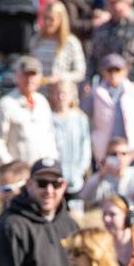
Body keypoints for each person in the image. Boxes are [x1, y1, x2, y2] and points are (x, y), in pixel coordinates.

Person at [83, 52, 134, 164]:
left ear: (125, 71)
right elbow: (84, 117)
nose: (113, 74)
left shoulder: (133, 91)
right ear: (103, 72)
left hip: (131, 148)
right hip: (103, 151)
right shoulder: (96, 93)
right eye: (109, 70)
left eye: (117, 70)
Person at [0, 56, 58, 166]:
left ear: (40, 77)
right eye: (25, 74)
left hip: (41, 172)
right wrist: (11, 168)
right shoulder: (5, 104)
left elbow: (50, 135)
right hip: (17, 174)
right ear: (17, 76)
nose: (29, 79)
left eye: (33, 75)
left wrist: (52, 161)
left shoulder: (42, 102)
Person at [87, 0, 134, 98]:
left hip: (133, 89)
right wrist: (88, 81)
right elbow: (93, 58)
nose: (108, 6)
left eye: (113, 2)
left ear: (127, 3)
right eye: (108, 2)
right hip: (105, 91)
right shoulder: (102, 29)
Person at [46, 77, 91, 206]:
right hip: (56, 173)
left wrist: (83, 167)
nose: (61, 96)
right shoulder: (48, 118)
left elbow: (85, 144)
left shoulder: (80, 118)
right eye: (57, 93)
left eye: (64, 93)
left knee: (76, 208)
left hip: (76, 174)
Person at [30, 0, 86, 81]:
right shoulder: (36, 40)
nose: (47, 22)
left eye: (51, 19)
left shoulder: (71, 42)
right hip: (39, 90)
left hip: (60, 90)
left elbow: (80, 73)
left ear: (60, 20)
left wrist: (60, 77)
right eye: (45, 18)